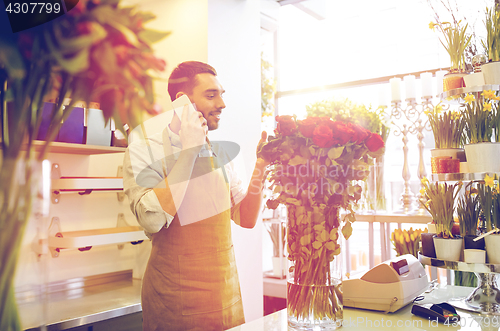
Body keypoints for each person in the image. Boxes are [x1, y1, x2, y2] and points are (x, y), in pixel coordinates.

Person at [122, 61, 268, 330]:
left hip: (226, 302)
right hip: (173, 306)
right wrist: (189, 151)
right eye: (211, 95)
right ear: (182, 102)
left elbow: (246, 218)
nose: (222, 103)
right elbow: (152, 220)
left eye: (222, 94)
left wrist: (261, 165)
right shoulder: (145, 149)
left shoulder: (223, 154)